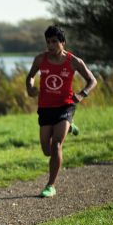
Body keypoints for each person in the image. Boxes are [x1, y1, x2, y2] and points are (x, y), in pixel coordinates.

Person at [26, 25, 97, 197]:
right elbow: (30, 77)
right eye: (48, 42)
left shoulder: (74, 61)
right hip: (45, 108)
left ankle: (50, 185)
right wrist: (30, 89)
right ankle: (70, 125)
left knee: (56, 144)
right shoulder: (40, 59)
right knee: (46, 149)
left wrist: (82, 94)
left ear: (63, 43)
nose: (50, 45)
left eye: (55, 42)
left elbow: (92, 80)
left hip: (65, 106)